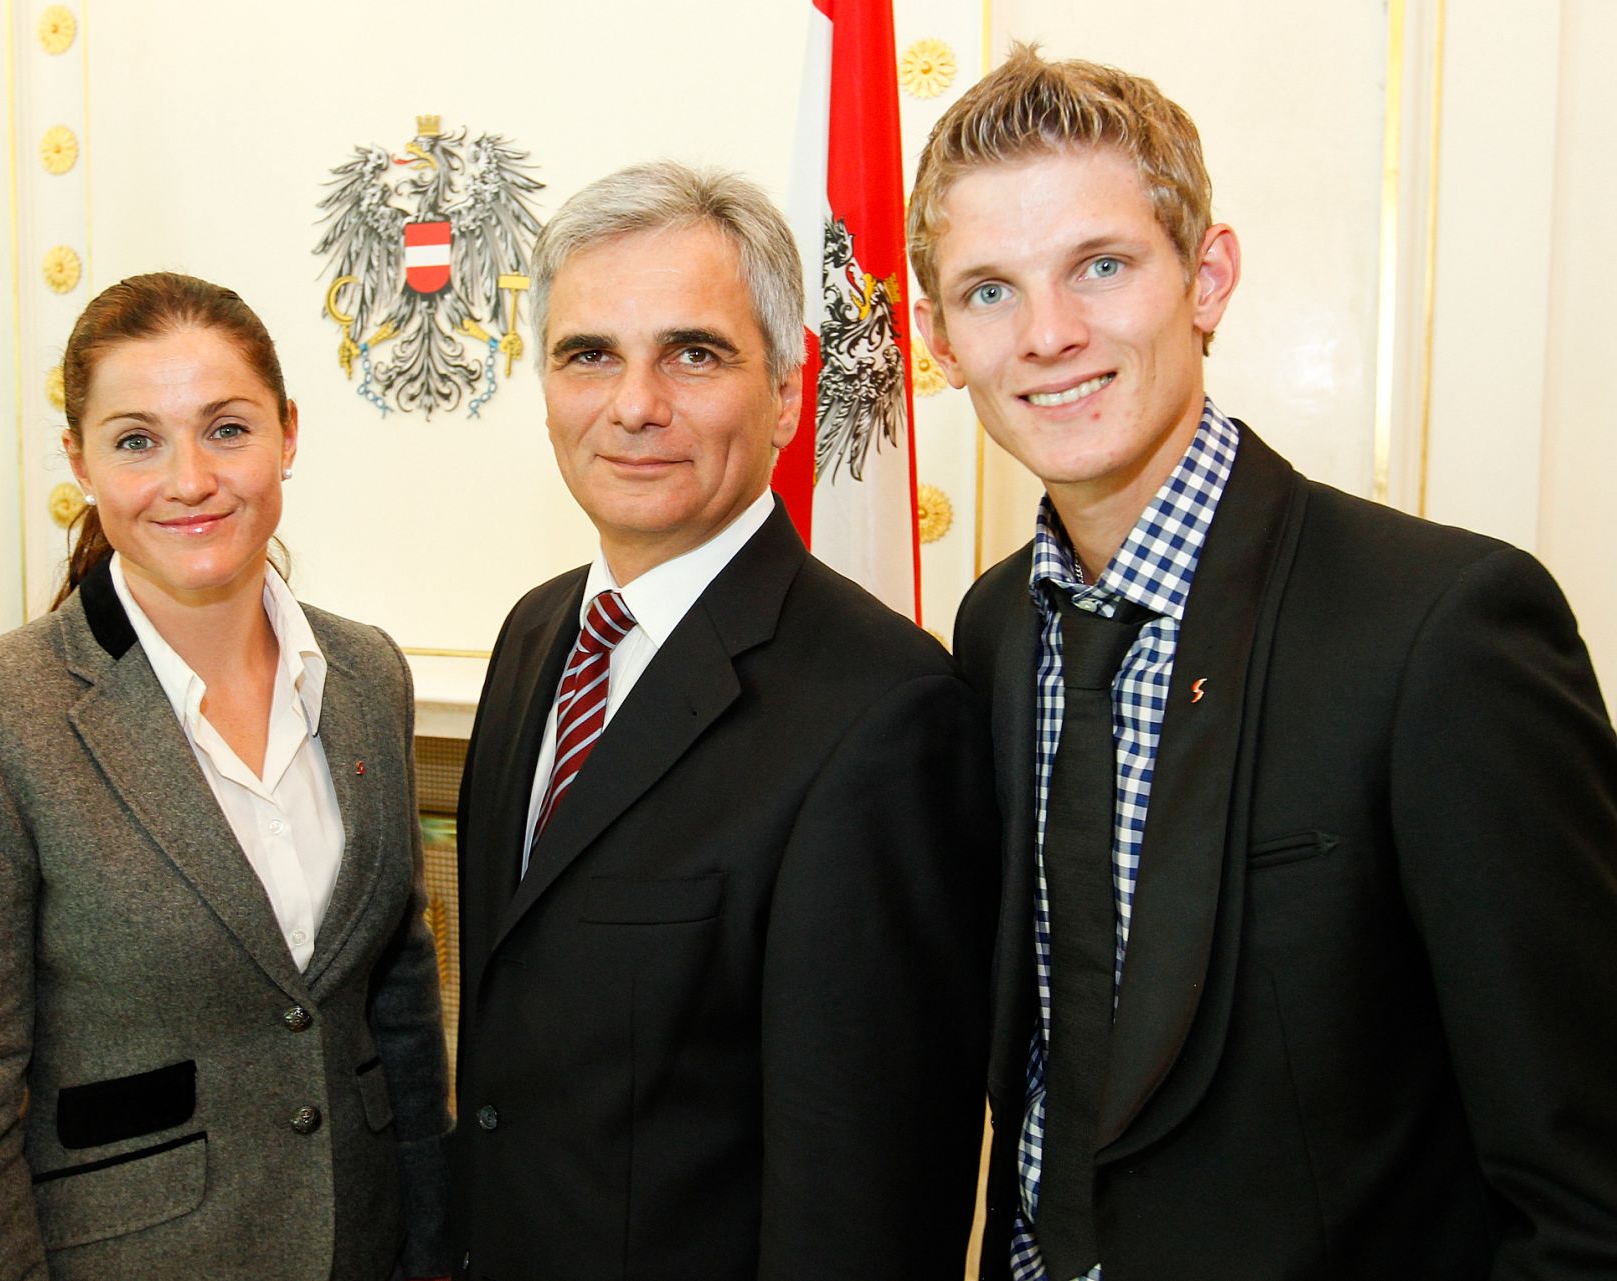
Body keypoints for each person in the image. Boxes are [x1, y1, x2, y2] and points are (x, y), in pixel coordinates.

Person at [909, 44, 1617, 1281]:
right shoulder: (993, 630)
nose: (1047, 335)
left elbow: (1585, 1190)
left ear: (1206, 278)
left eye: (1100, 266)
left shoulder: (1442, 631)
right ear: (936, 337)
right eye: (987, 291)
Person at [448, 160, 996, 1281]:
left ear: (788, 392)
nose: (634, 405)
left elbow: (864, 1204)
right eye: (588, 355)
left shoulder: (884, 716)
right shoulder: (535, 635)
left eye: (693, 354)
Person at [0, 272, 451, 1281]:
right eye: (137, 439)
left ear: (287, 434)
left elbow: (395, 991)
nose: (191, 479)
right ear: (80, 461)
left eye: (227, 429)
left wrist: (435, 1243)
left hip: (367, 1244)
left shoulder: (367, 674)